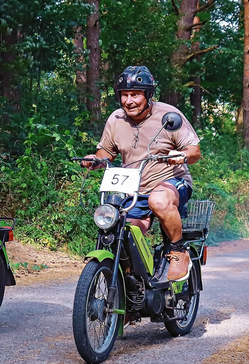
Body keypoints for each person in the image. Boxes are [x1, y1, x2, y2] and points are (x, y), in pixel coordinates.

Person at [82, 66, 201, 282]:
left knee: (158, 200)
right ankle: (130, 293)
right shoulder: (116, 118)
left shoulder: (168, 116)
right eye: (124, 95)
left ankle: (178, 251)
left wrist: (181, 156)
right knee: (122, 236)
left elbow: (194, 151)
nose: (129, 101)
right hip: (134, 190)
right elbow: (107, 151)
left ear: (148, 95)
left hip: (172, 182)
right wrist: (96, 159)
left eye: (135, 94)